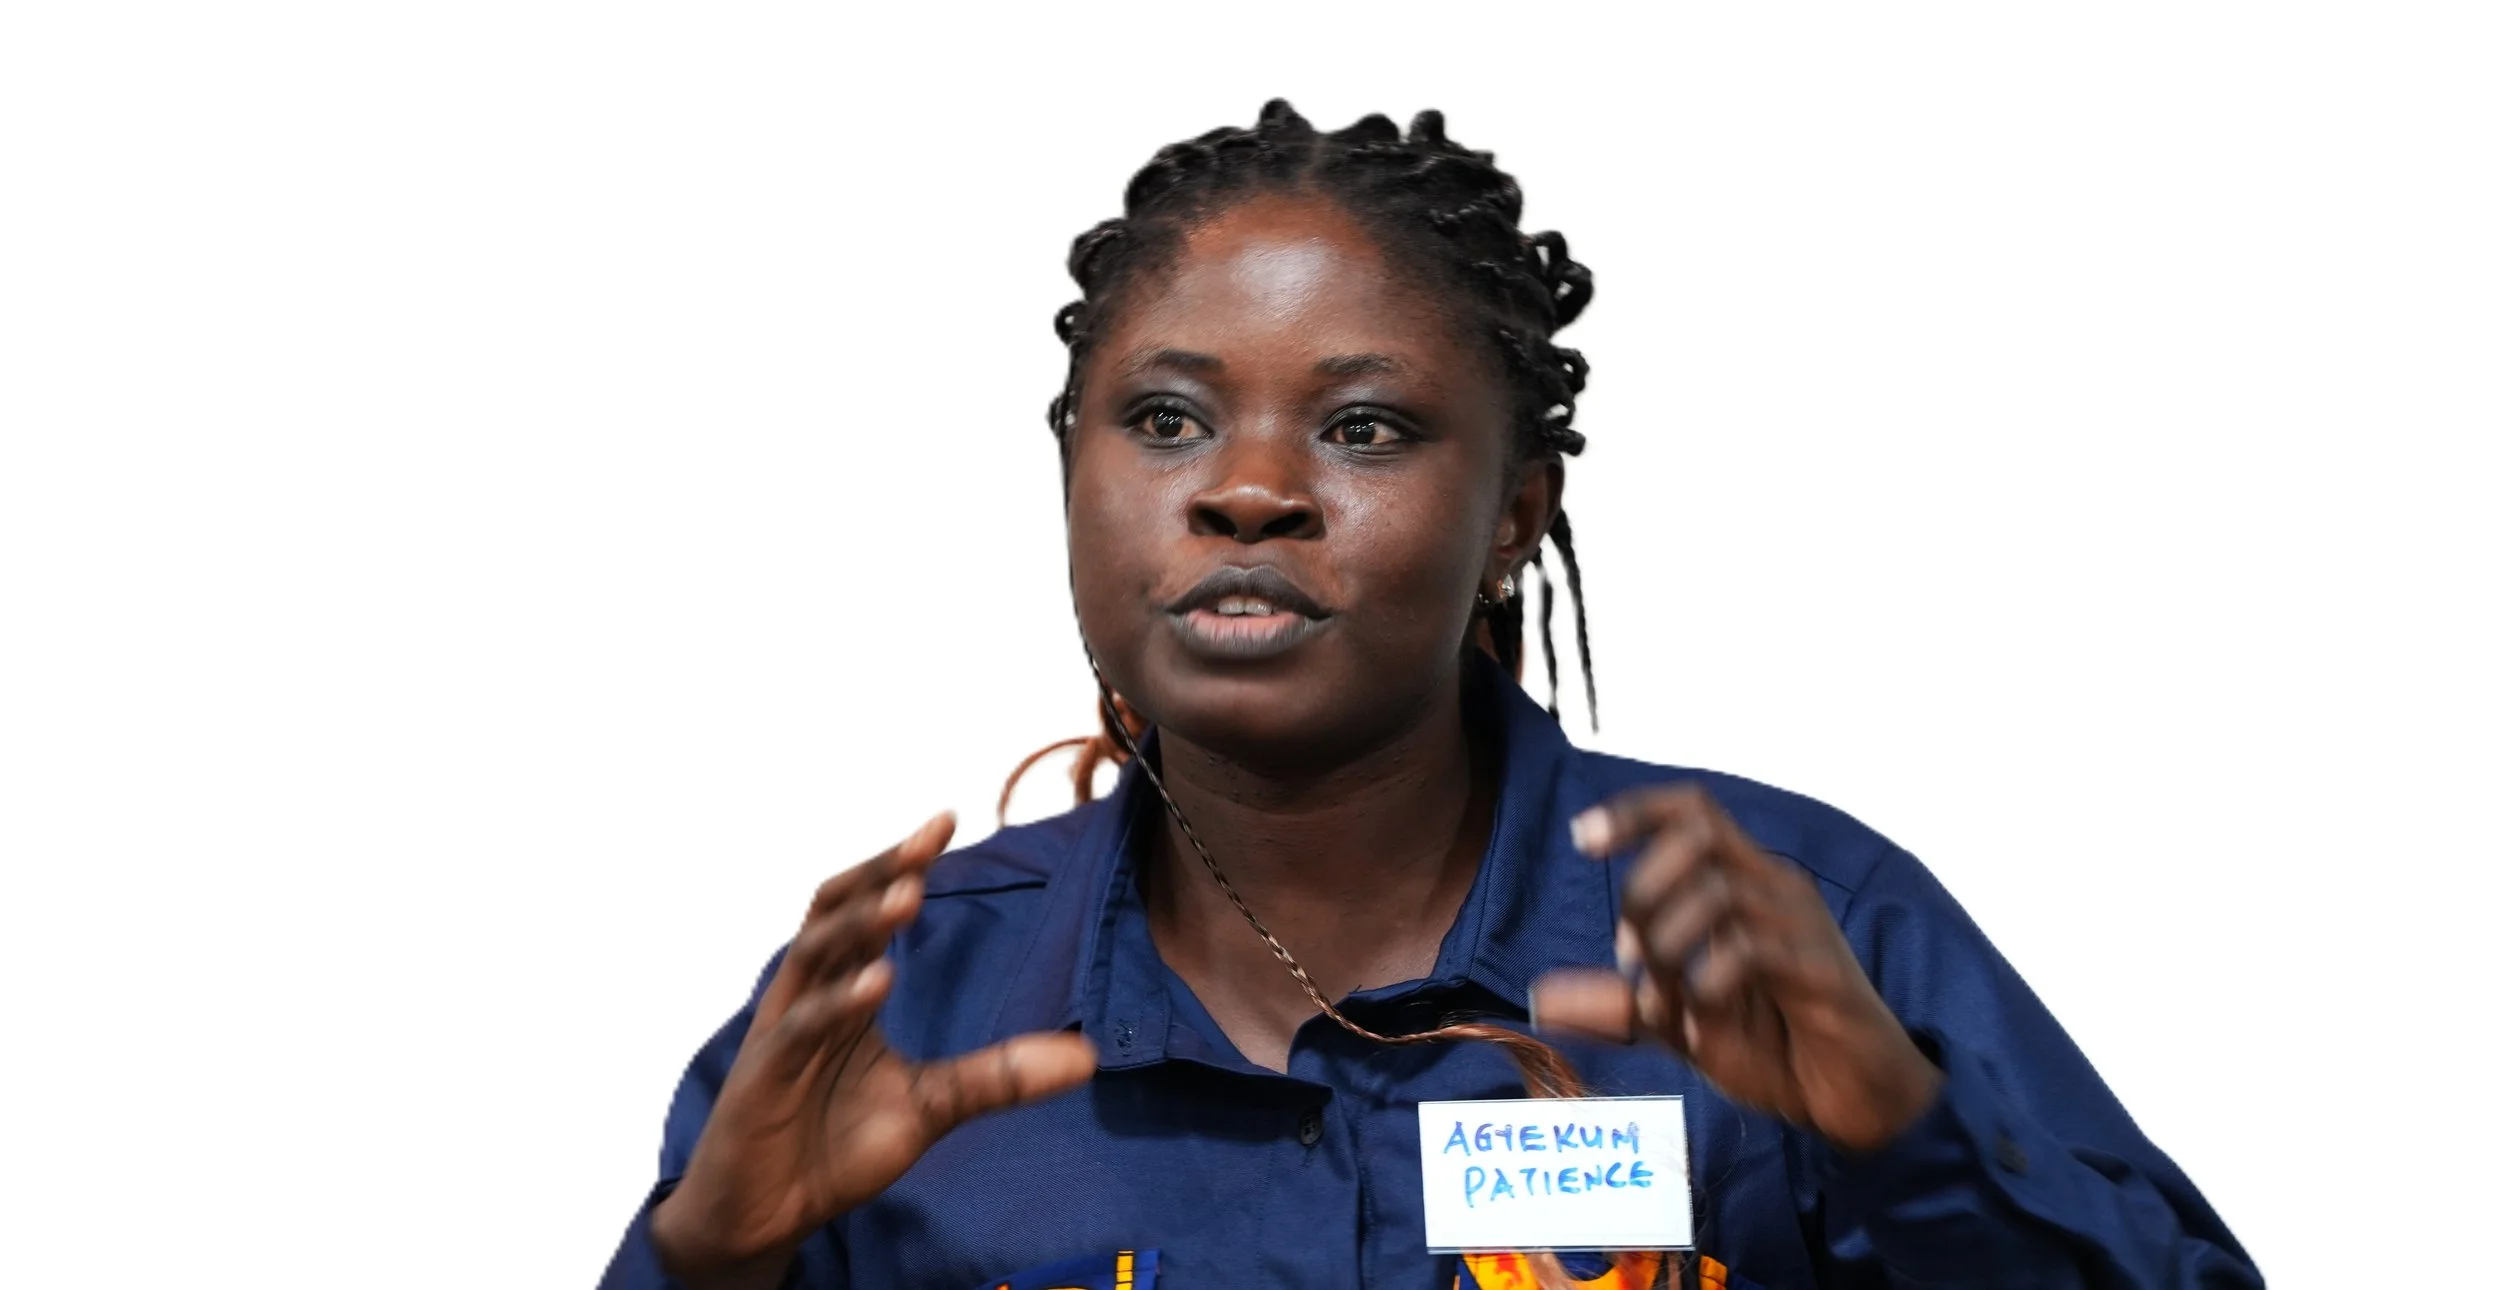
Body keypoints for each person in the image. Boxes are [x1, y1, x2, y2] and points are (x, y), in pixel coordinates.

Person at [598, 101, 2261, 1290]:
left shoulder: (1799, 934)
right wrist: (710, 1262)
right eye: (1166, 420)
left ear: (1516, 513)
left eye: (1363, 427)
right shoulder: (897, 1002)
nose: (1249, 490)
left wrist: (1913, 1147)